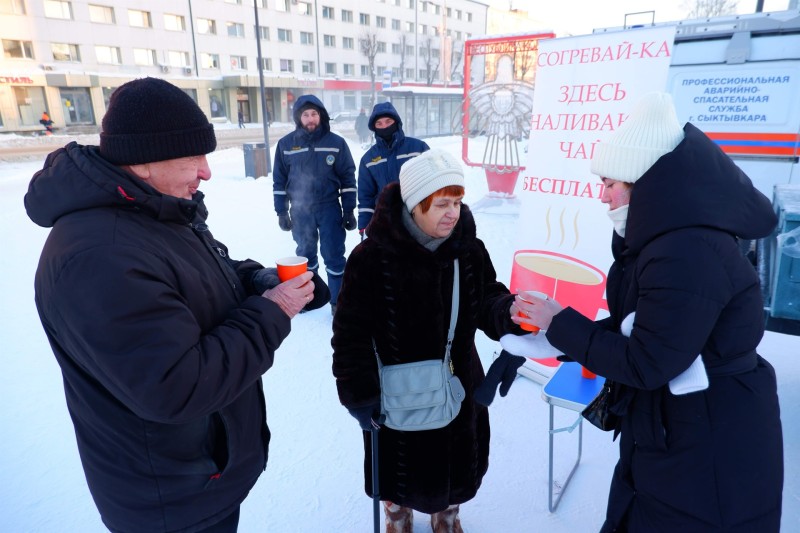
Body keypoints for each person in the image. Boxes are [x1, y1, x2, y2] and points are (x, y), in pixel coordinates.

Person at [24, 77, 329, 533]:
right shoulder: (99, 256)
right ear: (143, 162)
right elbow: (176, 386)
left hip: (200, 477)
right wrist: (272, 310)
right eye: (193, 157)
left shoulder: (150, 209)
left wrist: (259, 280)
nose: (206, 172)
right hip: (171, 502)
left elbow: (199, 274)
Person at [516, 92, 784, 532]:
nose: (602, 196)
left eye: (609, 183)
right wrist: (553, 335)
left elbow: (646, 362)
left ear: (645, 182)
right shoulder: (667, 239)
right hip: (682, 430)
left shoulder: (686, 251)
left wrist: (560, 323)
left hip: (706, 447)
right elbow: (647, 330)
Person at [332, 149, 525, 533]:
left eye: (457, 202)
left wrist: (509, 313)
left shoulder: (468, 250)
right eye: (441, 204)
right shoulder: (371, 257)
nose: (452, 213)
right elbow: (350, 332)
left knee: (454, 468)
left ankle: (447, 515)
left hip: (458, 381)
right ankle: (397, 514)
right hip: (396, 391)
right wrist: (358, 393)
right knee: (400, 471)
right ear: (415, 204)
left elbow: (486, 296)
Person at [273, 94, 357, 315]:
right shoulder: (286, 145)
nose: (310, 119)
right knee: (305, 255)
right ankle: (308, 299)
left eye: (314, 114)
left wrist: (349, 210)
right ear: (298, 118)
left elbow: (348, 179)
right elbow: (279, 181)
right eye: (305, 115)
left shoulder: (336, 143)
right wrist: (281, 211)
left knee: (334, 255)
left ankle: (337, 301)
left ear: (321, 116)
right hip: (300, 209)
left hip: (329, 207)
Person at [356, 102, 430, 235]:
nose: (384, 126)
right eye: (379, 124)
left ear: (396, 122)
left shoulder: (418, 148)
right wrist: (364, 226)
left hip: (418, 220)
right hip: (386, 223)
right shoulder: (368, 159)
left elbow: (433, 184)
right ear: (374, 128)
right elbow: (366, 196)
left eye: (388, 121)